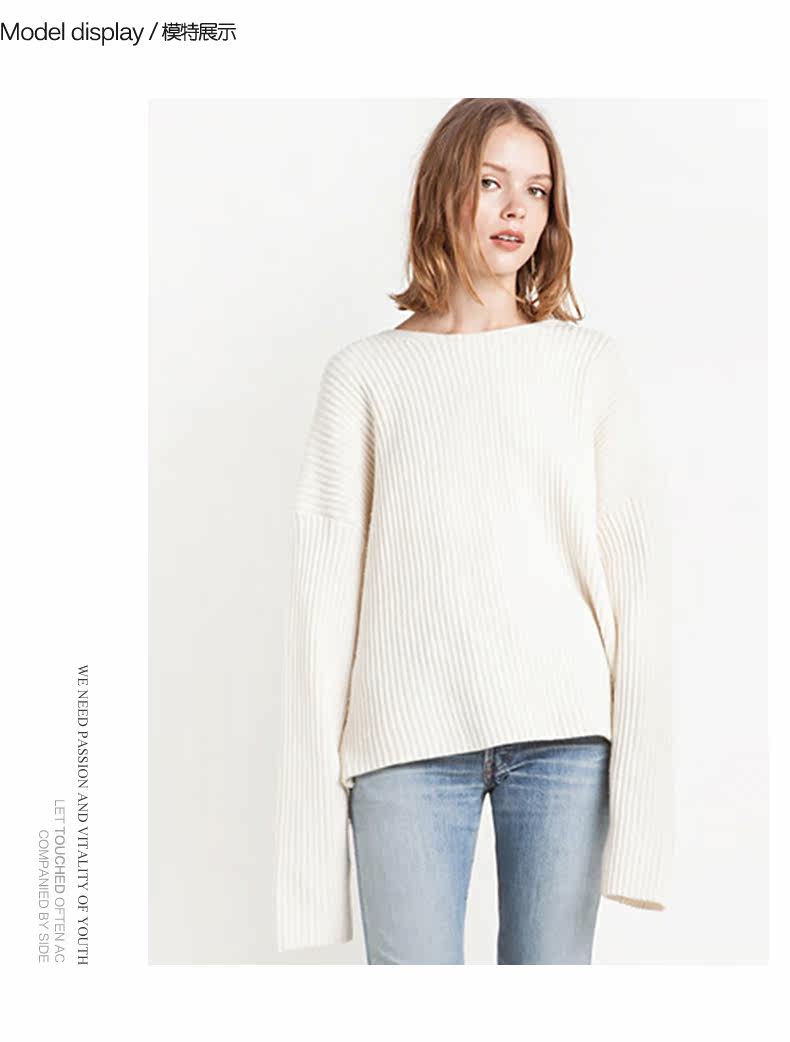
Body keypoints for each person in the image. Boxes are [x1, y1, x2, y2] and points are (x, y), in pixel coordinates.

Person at [273, 98, 674, 964]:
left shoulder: (587, 366)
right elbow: (320, 612)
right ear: (443, 191)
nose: (516, 208)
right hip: (405, 743)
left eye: (537, 189)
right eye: (491, 182)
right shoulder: (366, 377)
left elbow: (639, 586)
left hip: (564, 739)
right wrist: (309, 869)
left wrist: (644, 823)